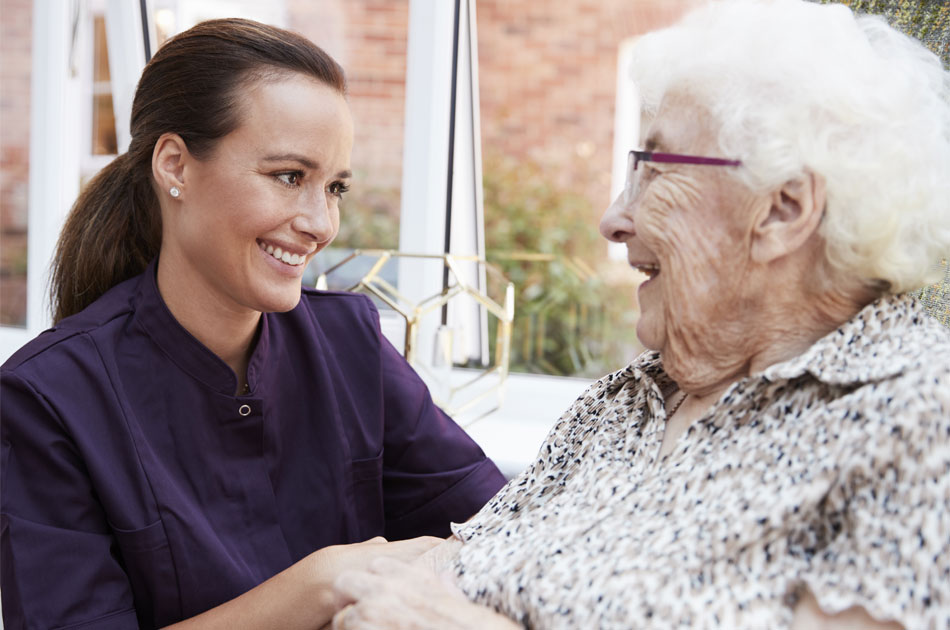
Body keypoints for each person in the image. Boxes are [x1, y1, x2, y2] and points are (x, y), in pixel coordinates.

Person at [327, 1, 950, 628]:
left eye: (653, 170)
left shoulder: (920, 413)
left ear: (783, 211)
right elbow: (443, 573)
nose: (613, 219)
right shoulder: (624, 401)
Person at [0, 18, 506, 630]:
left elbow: (503, 533)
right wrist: (321, 584)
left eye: (335, 187)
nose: (321, 223)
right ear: (175, 167)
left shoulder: (352, 348)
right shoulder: (47, 398)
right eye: (289, 177)